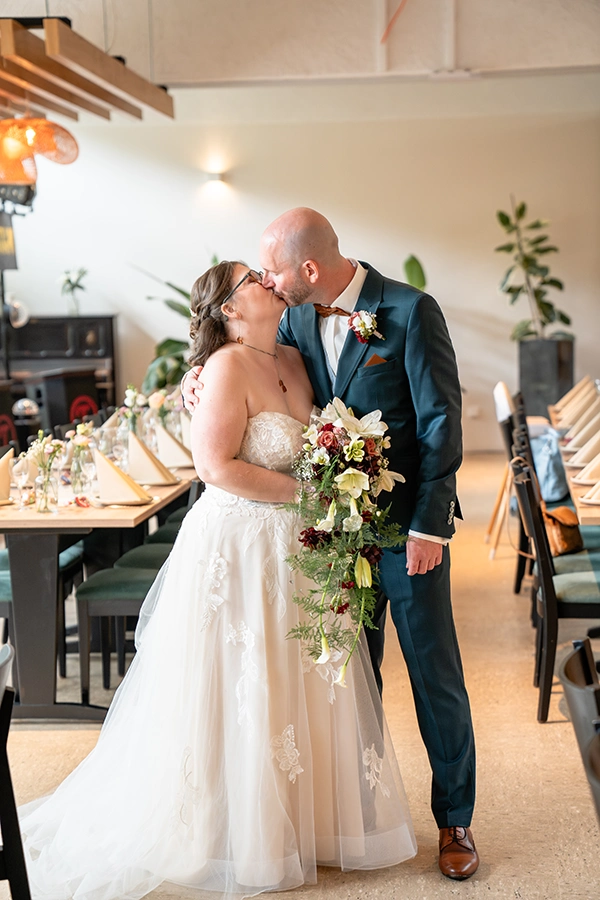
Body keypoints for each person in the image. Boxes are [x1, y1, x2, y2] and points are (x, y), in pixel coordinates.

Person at [18, 261, 417, 900]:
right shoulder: (225, 367)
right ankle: (241, 832)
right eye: (253, 277)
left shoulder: (295, 354)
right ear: (230, 309)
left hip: (298, 546)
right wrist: (309, 492)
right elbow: (215, 466)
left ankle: (309, 823)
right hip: (241, 544)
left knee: (298, 676)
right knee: (245, 675)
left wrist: (333, 484)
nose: (268, 279)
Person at [183, 209, 478, 880]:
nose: (267, 279)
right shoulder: (289, 322)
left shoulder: (409, 311)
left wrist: (430, 526)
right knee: (344, 682)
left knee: (435, 675)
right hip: (330, 540)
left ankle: (455, 820)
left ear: (307, 270)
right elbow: (235, 373)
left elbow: (440, 425)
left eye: (272, 269)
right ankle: (354, 817)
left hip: (407, 534)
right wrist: (193, 382)